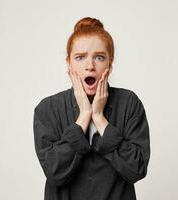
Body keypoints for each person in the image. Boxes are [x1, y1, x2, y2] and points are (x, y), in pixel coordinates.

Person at [33, 17, 151, 200]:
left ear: (110, 64)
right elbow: (55, 172)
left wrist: (99, 118)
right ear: (69, 63)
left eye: (99, 57)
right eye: (80, 57)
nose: (90, 66)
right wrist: (84, 116)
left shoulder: (129, 103)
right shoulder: (47, 109)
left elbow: (136, 169)